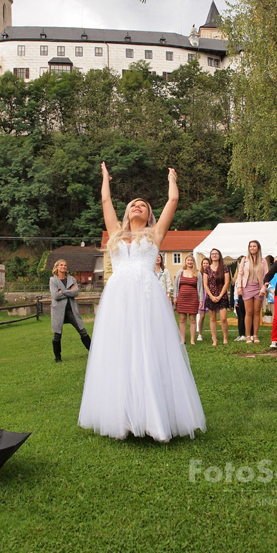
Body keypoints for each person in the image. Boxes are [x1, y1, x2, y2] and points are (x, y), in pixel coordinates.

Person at [78, 163, 206, 442]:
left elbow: (173, 200)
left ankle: (154, 418)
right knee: (121, 351)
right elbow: (105, 200)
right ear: (127, 212)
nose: (137, 206)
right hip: (118, 299)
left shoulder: (155, 234)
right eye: (133, 204)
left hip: (147, 299)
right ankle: (123, 417)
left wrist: (172, 178)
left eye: (143, 205)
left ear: (149, 215)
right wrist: (105, 179)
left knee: (148, 351)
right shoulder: (115, 234)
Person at [49, 259, 92, 363]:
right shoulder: (53, 280)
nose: (63, 267)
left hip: (71, 310)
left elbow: (75, 292)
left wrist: (62, 291)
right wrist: (69, 291)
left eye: (65, 265)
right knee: (57, 334)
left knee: (82, 330)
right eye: (61, 265)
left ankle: (93, 352)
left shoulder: (71, 279)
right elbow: (55, 295)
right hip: (58, 310)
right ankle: (57, 357)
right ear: (57, 267)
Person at [237, 241, 268, 344]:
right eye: (250, 246)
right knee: (248, 312)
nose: (252, 248)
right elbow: (240, 274)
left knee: (257, 312)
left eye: (254, 246)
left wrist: (263, 289)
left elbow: (266, 277)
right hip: (247, 287)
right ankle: (248, 336)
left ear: (258, 248)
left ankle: (255, 335)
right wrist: (239, 287)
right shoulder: (244, 260)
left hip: (258, 288)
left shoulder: (263, 261)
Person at [174, 254, 203, 345]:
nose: (189, 262)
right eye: (188, 260)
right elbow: (175, 285)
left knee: (192, 319)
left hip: (193, 299)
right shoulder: (180, 271)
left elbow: (200, 287)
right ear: (185, 262)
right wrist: (175, 296)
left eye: (191, 260)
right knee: (182, 319)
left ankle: (192, 340)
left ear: (193, 262)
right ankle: (182, 339)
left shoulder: (197, 273)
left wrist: (201, 300)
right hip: (182, 298)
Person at [203, 248, 230, 346]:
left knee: (223, 318)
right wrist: (211, 296)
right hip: (211, 296)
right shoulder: (207, 269)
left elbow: (226, 283)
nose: (214, 255)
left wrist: (219, 296)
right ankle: (214, 340)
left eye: (216, 253)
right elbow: (205, 284)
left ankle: (225, 338)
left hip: (222, 295)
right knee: (212, 318)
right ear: (210, 256)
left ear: (219, 255)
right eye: (212, 254)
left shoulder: (225, 268)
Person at [232, 257, 246, 341]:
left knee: (247, 316)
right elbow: (235, 290)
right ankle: (241, 334)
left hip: (247, 298)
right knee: (240, 317)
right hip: (239, 299)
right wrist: (235, 300)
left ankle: (250, 334)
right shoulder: (236, 278)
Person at [197, 257, 210, 341]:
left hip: (209, 295)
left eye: (207, 263)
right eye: (204, 263)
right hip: (202, 295)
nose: (205, 265)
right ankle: (200, 334)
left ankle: (213, 334)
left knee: (212, 317)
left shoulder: (211, 273)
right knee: (201, 316)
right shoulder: (199, 274)